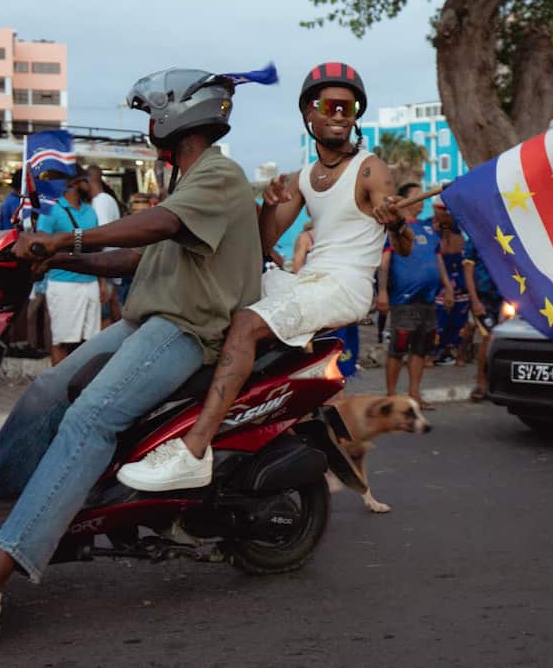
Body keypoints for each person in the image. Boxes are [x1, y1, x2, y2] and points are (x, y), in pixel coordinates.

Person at [0, 66, 262, 640]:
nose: (149, 124)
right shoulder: (187, 185)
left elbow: (150, 228)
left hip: (184, 332)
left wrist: (65, 239)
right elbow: (137, 258)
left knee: (89, 421)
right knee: (45, 393)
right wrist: (55, 258)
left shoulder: (219, 175)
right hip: (145, 322)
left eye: (153, 114)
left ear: (176, 115)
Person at [118, 61, 411, 492]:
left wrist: (396, 222)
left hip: (343, 287)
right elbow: (259, 242)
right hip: (306, 280)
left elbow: (405, 247)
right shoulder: (303, 179)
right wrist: (270, 205)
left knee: (246, 324)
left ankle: (194, 450)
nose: (337, 115)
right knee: (228, 303)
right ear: (308, 113)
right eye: (327, 105)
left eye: (348, 109)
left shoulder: (371, 170)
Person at [377, 182, 453, 408]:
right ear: (404, 200)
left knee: (421, 348)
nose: (422, 200)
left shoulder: (429, 228)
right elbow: (384, 263)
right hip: (403, 300)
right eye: (417, 196)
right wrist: (382, 293)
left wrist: (447, 287)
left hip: (428, 300)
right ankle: (391, 396)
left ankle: (414, 395)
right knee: (398, 348)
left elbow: (438, 260)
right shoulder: (393, 229)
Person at [38, 166, 101, 365]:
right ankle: (58, 389)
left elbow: (96, 249)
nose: (90, 186)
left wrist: (102, 283)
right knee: (62, 341)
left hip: (90, 282)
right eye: (86, 181)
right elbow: (41, 243)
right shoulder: (52, 210)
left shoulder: (91, 212)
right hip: (63, 283)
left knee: (89, 343)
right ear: (73, 184)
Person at [82, 165, 123, 326]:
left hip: (105, 266)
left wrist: (102, 279)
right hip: (110, 264)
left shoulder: (100, 202)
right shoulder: (107, 199)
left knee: (104, 315)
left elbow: (101, 237)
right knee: (112, 306)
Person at [463, 236, 500, 402]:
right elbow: (468, 271)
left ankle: (497, 381)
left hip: (503, 297)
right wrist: (475, 300)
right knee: (487, 338)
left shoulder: (505, 235)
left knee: (501, 339)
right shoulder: (475, 239)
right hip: (483, 297)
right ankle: (481, 382)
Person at [432, 202, 469, 367]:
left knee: (459, 322)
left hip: (460, 284)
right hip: (440, 284)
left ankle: (457, 354)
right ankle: (435, 353)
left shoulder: (460, 235)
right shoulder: (433, 233)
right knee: (439, 321)